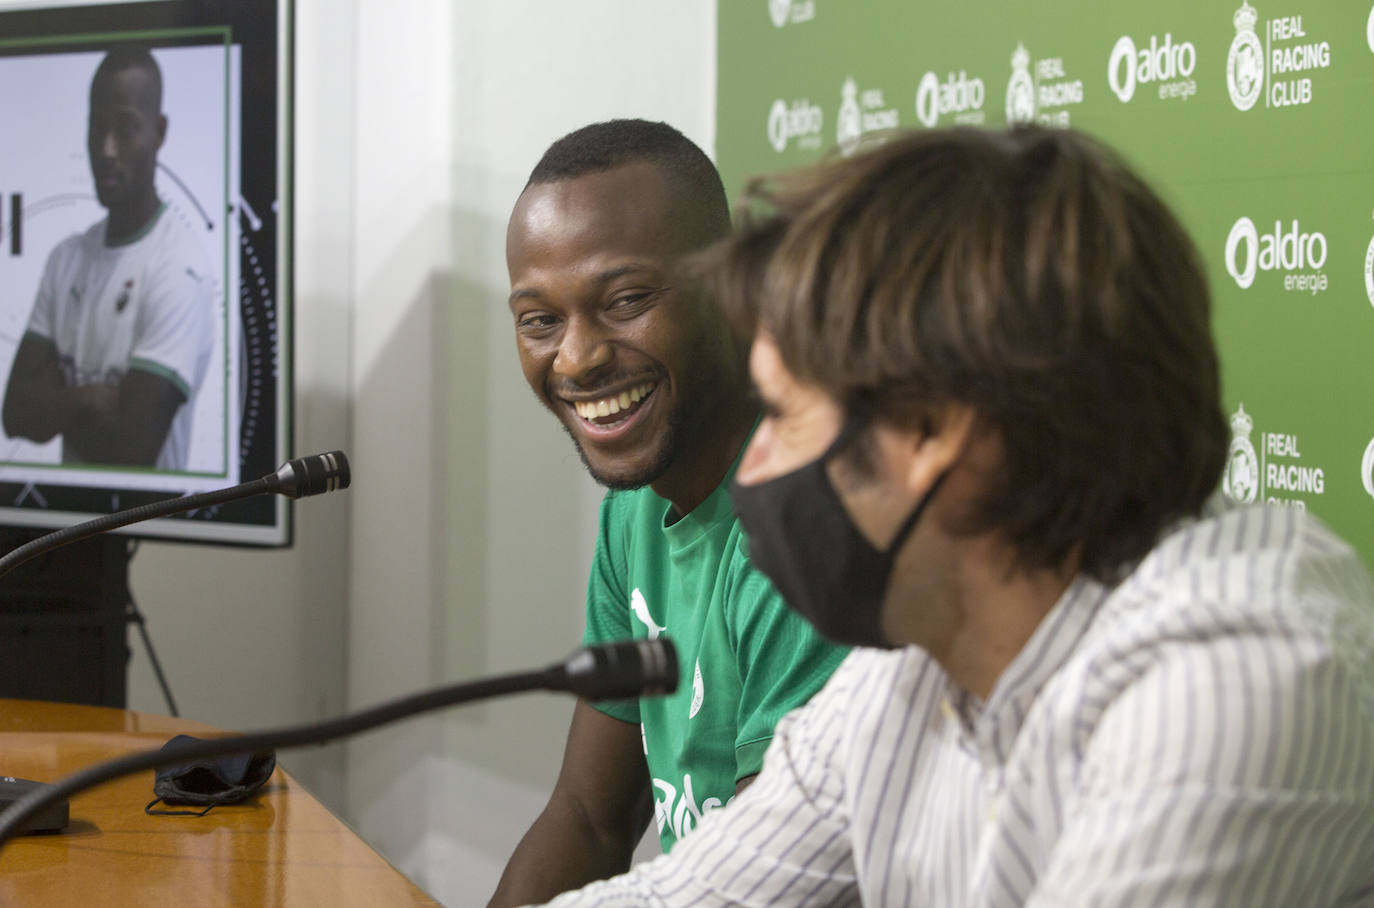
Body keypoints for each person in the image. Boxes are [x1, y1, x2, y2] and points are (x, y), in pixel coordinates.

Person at [531, 126, 1374, 905]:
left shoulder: (1226, 682)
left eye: (783, 419)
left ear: (933, 429)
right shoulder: (908, 663)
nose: (750, 470)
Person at [489, 119, 849, 905]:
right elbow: (588, 817)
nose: (577, 358)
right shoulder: (638, 502)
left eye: (625, 301)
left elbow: (763, 884)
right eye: (539, 319)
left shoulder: (807, 513)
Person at [2, 46, 214, 470]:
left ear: (159, 131)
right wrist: (92, 399)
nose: (106, 149)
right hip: (67, 525)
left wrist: (56, 405)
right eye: (95, 128)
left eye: (126, 127)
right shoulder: (65, 259)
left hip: (152, 529)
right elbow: (15, 412)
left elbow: (132, 448)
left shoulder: (180, 267)